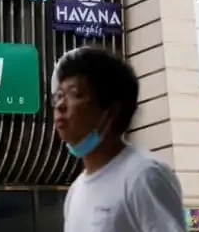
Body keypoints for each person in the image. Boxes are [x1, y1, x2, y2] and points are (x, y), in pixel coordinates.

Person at [51, 46, 185, 232]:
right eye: (59, 96)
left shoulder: (144, 176)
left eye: (75, 94)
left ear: (111, 111)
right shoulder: (76, 191)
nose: (60, 105)